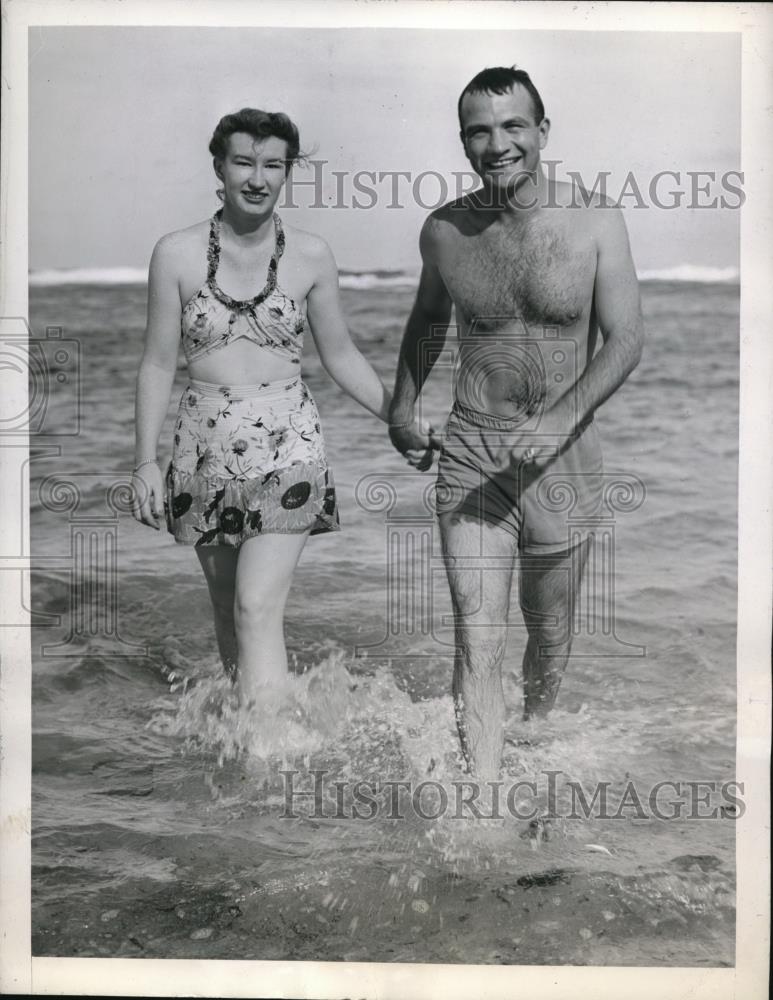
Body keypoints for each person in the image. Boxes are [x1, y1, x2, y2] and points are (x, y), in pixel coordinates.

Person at [389, 66, 644, 780]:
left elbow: (626, 339)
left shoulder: (595, 221)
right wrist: (402, 406)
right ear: (463, 140)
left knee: (549, 633)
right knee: (477, 636)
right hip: (472, 453)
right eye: (478, 129)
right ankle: (481, 798)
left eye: (512, 126)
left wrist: (561, 417)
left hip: (563, 463)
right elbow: (427, 319)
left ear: (541, 132)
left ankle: (534, 735)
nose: (496, 143)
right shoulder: (444, 230)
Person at [131, 108, 417, 706]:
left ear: (287, 173)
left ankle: (269, 756)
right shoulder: (175, 254)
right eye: (243, 162)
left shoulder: (311, 255)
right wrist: (145, 461)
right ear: (220, 166)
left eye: (272, 165)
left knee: (256, 605)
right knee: (228, 604)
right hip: (201, 449)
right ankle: (250, 728)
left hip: (289, 446)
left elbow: (340, 356)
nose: (257, 177)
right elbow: (158, 362)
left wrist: (400, 416)